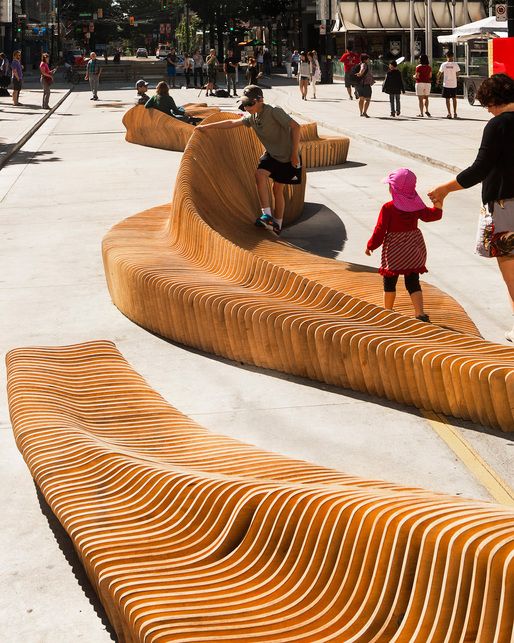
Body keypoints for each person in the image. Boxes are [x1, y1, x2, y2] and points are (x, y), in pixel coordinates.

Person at [428, 74, 514, 340]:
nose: (486, 109)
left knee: (511, 267)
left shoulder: (497, 125)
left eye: (487, 103)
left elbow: (480, 169)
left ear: (494, 99)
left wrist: (445, 189)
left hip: (505, 206)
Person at [196, 85, 301, 235]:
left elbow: (296, 127)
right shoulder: (252, 117)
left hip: (287, 155)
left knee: (277, 189)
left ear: (260, 100)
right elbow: (232, 124)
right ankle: (267, 215)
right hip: (272, 154)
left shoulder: (274, 111)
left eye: (250, 104)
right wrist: (206, 127)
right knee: (259, 175)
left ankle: (277, 224)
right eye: (244, 104)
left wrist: (294, 154)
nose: (246, 107)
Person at [366, 168, 443, 322]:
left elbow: (380, 230)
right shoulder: (416, 206)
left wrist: (371, 245)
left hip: (394, 250)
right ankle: (420, 313)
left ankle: (388, 311)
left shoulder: (388, 208)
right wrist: (438, 203)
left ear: (393, 189)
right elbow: (432, 216)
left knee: (389, 281)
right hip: (413, 249)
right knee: (413, 281)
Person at [437, 50, 460, 119]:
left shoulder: (443, 64)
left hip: (446, 84)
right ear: (453, 56)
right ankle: (455, 113)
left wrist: (437, 80)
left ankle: (449, 113)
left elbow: (439, 73)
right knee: (454, 98)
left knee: (447, 99)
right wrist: (456, 77)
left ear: (446, 56)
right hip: (453, 84)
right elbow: (458, 73)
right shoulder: (455, 64)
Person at [355, 53, 374, 117]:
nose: (369, 60)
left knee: (361, 99)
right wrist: (360, 73)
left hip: (359, 84)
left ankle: (361, 112)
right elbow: (362, 70)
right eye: (368, 59)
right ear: (365, 59)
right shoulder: (364, 65)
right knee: (367, 99)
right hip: (365, 85)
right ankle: (364, 112)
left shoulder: (359, 64)